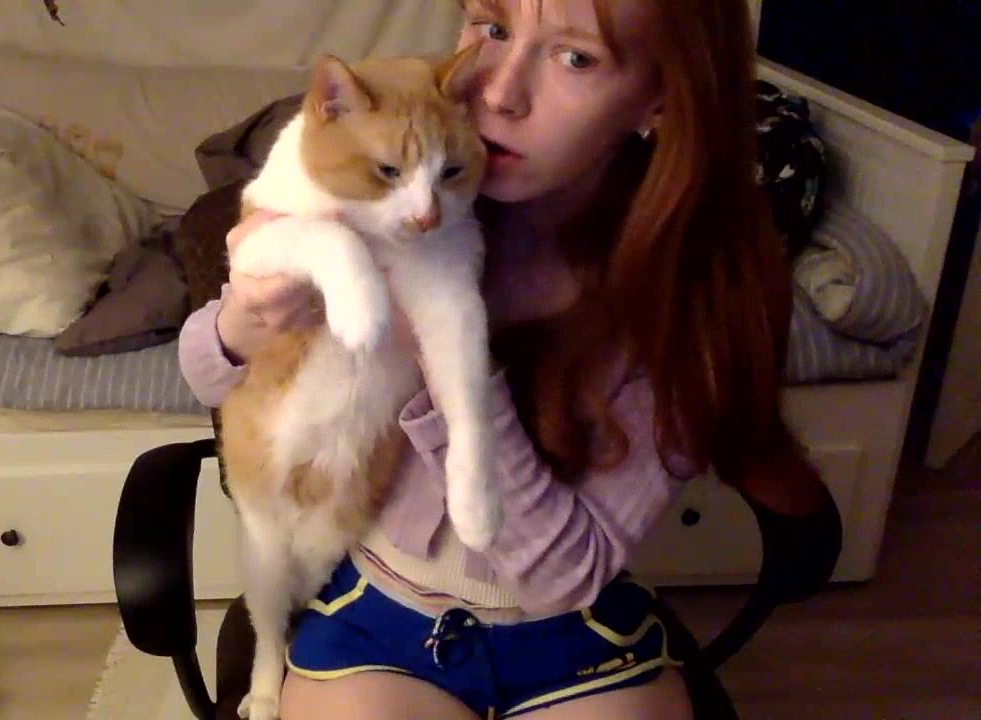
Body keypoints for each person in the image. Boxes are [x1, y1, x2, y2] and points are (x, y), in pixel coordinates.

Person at [179, 0, 820, 717]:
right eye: (493, 30)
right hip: (379, 610)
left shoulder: (684, 295)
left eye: (575, 58)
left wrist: (448, 357)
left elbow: (566, 574)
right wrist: (244, 318)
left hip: (571, 628)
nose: (501, 92)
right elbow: (209, 372)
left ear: (661, 97)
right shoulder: (392, 190)